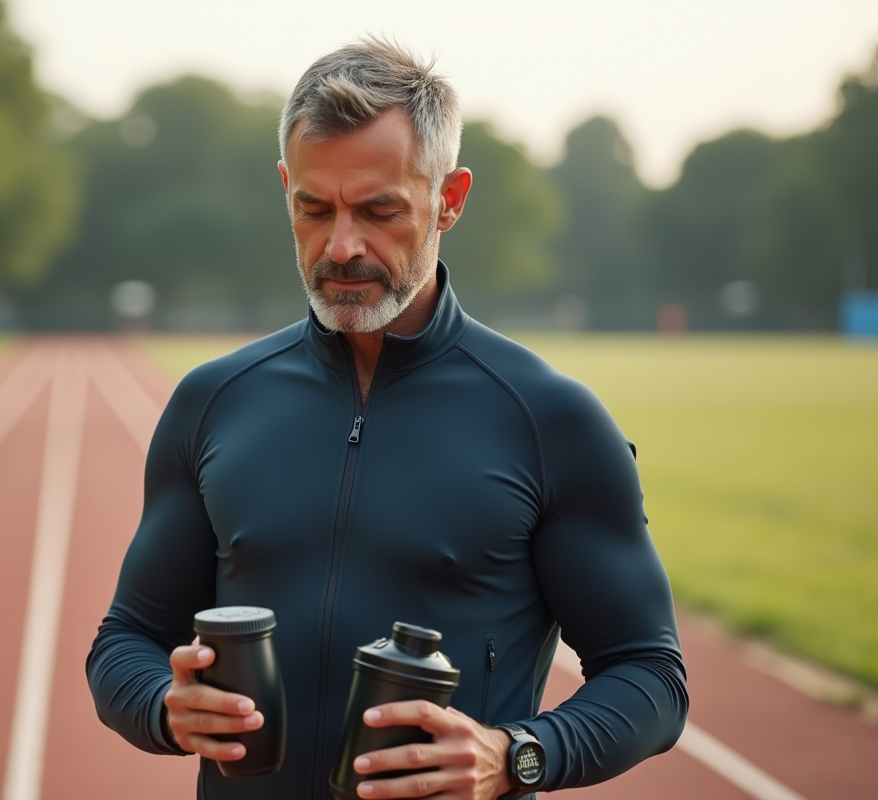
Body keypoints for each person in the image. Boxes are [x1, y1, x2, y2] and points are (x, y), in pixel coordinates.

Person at [87, 37, 688, 800]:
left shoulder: (551, 421)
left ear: (451, 198)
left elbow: (651, 676)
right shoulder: (213, 401)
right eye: (313, 208)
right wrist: (161, 706)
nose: (342, 246)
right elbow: (124, 643)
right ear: (286, 189)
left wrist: (518, 755)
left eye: (379, 210)